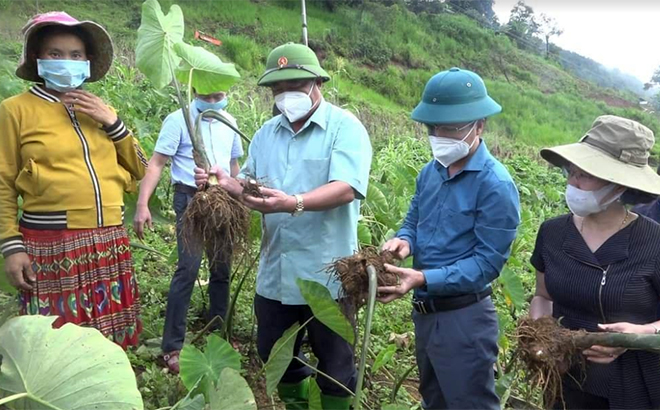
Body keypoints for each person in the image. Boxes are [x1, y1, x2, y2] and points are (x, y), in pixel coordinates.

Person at [194, 42, 372, 410]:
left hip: (328, 274)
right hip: (276, 270)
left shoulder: (344, 128)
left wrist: (294, 203)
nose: (286, 94)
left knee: (336, 363)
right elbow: (250, 187)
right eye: (278, 88)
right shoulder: (266, 134)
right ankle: (297, 404)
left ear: (316, 82)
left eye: (294, 85)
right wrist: (225, 183)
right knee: (273, 352)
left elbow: (347, 188)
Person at [0, 11, 147, 349]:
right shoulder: (16, 110)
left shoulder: (101, 109)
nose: (67, 61)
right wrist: (11, 246)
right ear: (38, 59)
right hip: (52, 243)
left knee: (109, 342)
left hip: (109, 240)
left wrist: (113, 123)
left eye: (76, 55)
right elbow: (3, 183)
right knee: (56, 343)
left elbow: (139, 168)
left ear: (87, 61)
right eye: (56, 54)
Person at [378, 67, 521, 410]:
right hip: (426, 315)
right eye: (433, 127)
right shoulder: (432, 171)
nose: (440, 135)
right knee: (435, 400)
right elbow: (415, 216)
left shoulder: (495, 185)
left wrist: (425, 277)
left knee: (469, 404)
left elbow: (487, 263)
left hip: (464, 319)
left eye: (451, 128)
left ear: (480, 125)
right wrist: (405, 240)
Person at [529, 115, 660, 409]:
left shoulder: (653, 242)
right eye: (571, 172)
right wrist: (542, 336)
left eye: (584, 175)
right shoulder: (552, 233)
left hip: (633, 387)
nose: (572, 183)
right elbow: (542, 296)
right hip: (565, 380)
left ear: (618, 184)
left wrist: (642, 334)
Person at [133, 83, 243, 373]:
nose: (213, 100)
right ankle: (173, 346)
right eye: (206, 95)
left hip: (223, 199)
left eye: (218, 95)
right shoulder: (178, 119)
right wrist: (143, 204)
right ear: (194, 92)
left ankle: (218, 334)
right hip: (190, 197)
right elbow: (157, 163)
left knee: (221, 270)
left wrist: (242, 196)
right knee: (188, 269)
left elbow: (234, 165)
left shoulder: (229, 122)